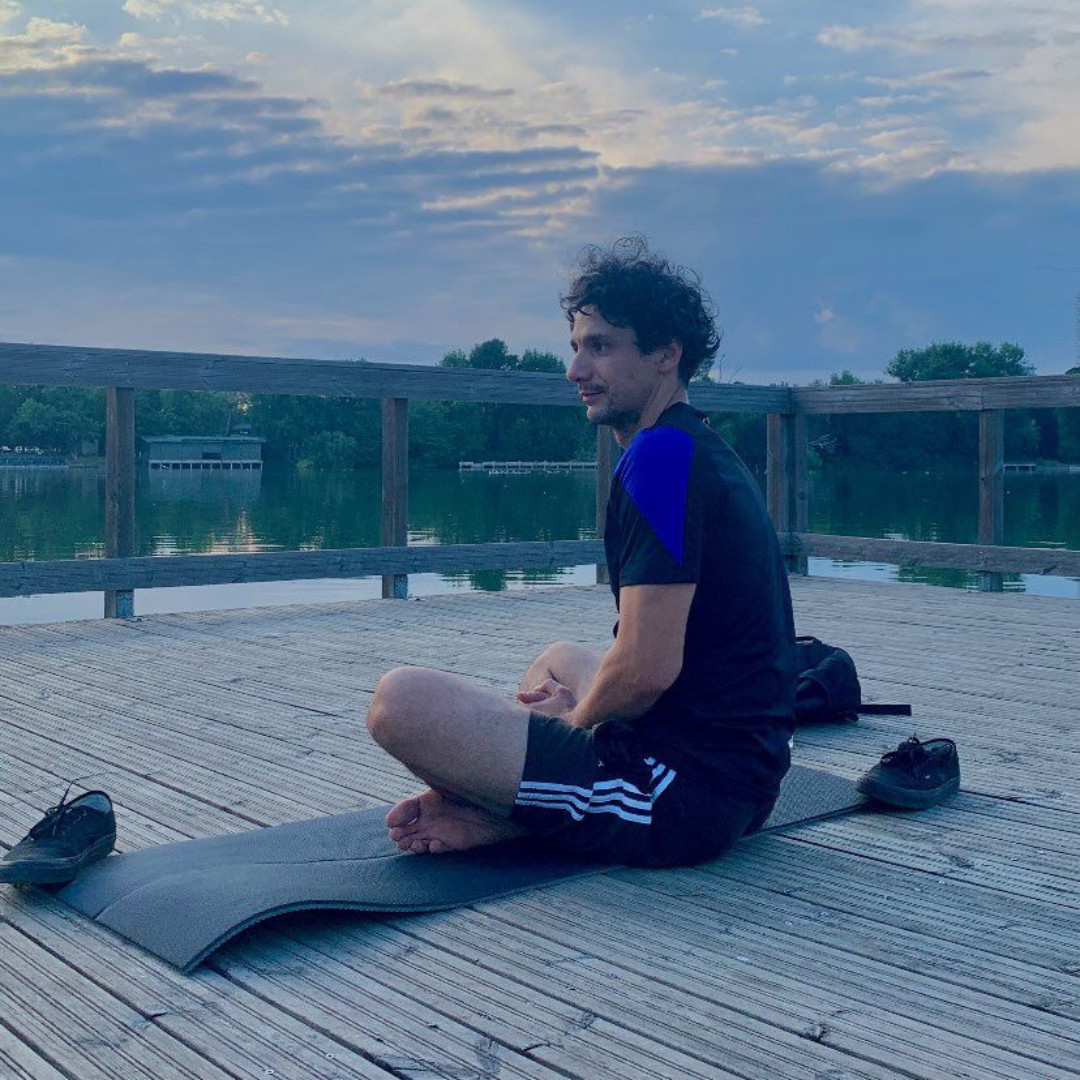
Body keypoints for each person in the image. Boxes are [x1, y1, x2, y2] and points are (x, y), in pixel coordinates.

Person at [366, 237, 796, 867]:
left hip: (682, 796)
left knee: (399, 702)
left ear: (666, 354)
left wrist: (573, 726)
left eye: (601, 347)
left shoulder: (660, 459)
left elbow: (645, 671)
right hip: (741, 776)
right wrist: (581, 713)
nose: (575, 370)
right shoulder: (691, 445)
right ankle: (518, 804)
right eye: (576, 347)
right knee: (558, 661)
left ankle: (509, 810)